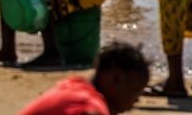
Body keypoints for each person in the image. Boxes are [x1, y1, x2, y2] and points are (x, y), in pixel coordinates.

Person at [19, 42, 150, 115]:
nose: (137, 100)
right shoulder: (89, 104)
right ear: (116, 78)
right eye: (136, 90)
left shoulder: (73, 86)